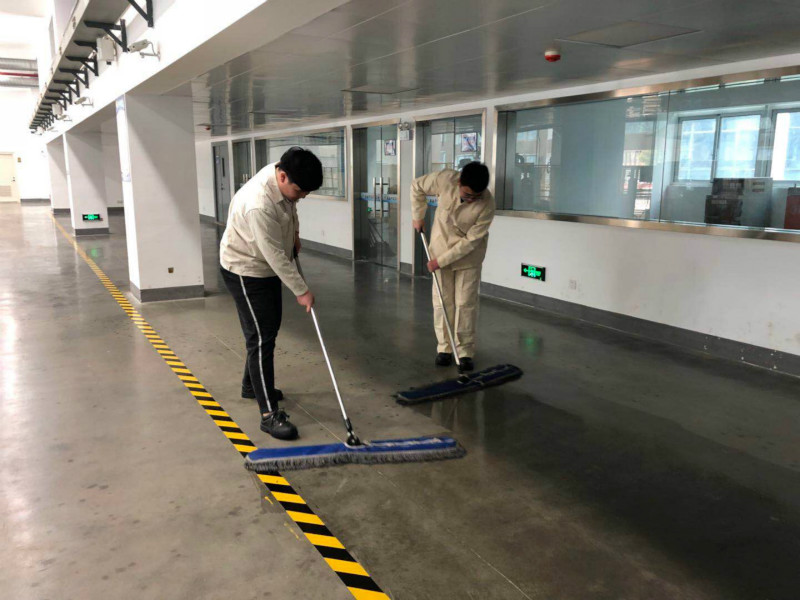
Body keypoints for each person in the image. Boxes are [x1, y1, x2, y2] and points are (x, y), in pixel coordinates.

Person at [219, 147, 322, 440]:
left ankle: (251, 385)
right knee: (261, 338)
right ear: (283, 176)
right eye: (300, 191)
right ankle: (268, 415)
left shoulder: (281, 177)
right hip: (245, 269)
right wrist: (301, 290)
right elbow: (274, 255)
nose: (302, 196)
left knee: (267, 330)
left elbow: (291, 210)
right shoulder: (258, 204)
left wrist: (295, 235)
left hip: (264, 268)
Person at [411, 162, 495, 372]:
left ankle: (464, 352)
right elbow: (417, 186)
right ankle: (445, 349)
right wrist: (418, 215)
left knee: (465, 304)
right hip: (440, 249)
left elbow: (471, 241)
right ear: (459, 183)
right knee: (442, 302)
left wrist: (440, 262)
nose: (471, 199)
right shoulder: (445, 179)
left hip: (468, 259)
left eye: (476, 196)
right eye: (467, 194)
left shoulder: (487, 203)